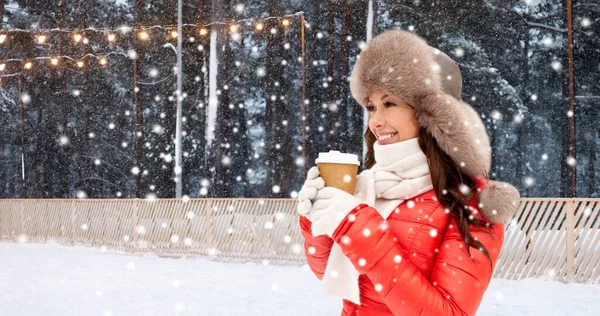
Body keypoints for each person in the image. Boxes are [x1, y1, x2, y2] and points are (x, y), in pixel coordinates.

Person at [297, 30, 520, 316]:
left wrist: (356, 226)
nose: (376, 121)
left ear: (431, 113)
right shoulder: (369, 184)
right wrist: (316, 220)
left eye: (389, 103)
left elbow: (449, 312)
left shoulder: (470, 202)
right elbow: (332, 274)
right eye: (371, 107)